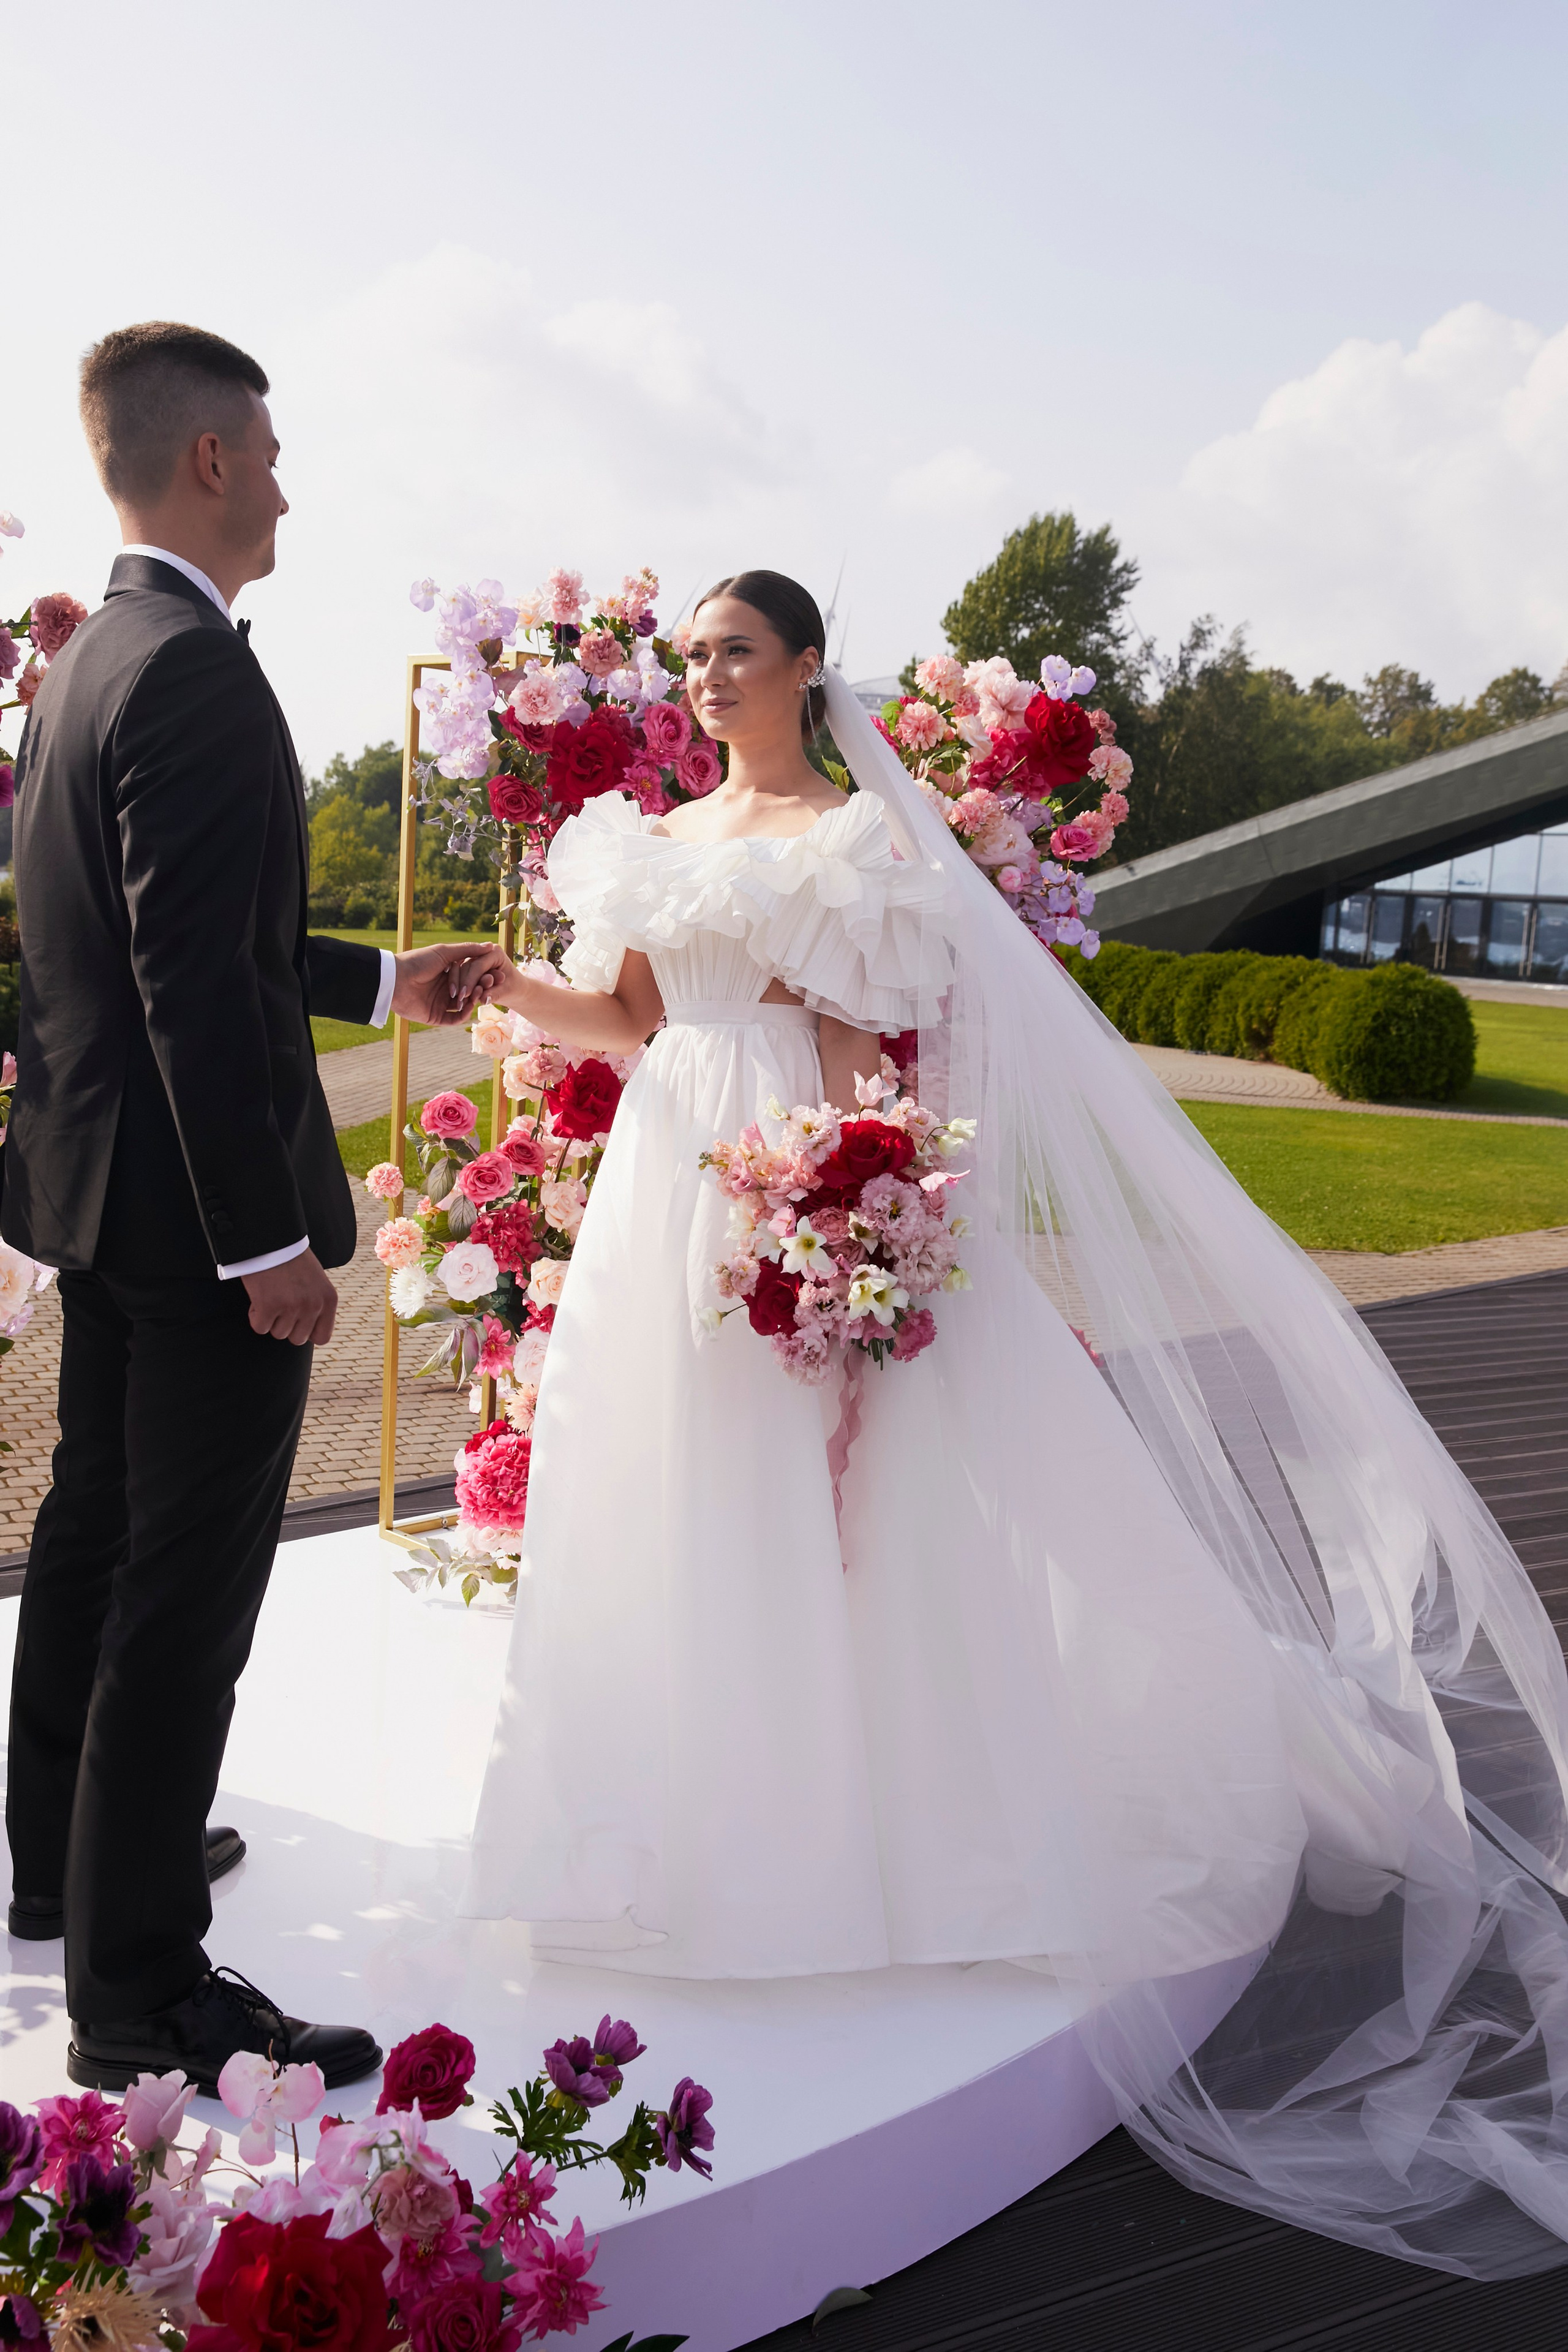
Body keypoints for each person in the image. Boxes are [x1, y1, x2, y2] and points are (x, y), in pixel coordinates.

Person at [460, 569, 1568, 2277]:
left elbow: (848, 1050)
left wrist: (835, 1217)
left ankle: (851, 1846)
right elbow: (625, 1021)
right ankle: (683, 1822)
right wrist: (498, 994)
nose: (708, 676)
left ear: (808, 667)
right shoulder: (647, 841)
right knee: (671, 1497)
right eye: (693, 655)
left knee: (829, 1502)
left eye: (736, 651)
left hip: (777, 1176)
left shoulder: (847, 844)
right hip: (657, 1177)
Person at [2, 322, 504, 2094]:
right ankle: (141, 1993)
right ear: (209, 459)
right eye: (272, 451)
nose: (288, 481)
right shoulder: (198, 673)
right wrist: (263, 1245)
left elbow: (173, 940)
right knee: (184, 1593)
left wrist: (380, 979)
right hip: (197, 1231)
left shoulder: (87, 665)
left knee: (94, 1530)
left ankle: (62, 1870)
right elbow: (189, 993)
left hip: (97, 1202)